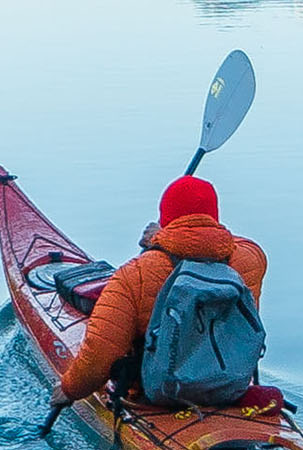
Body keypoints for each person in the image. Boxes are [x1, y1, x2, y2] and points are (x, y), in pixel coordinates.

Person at [47, 174, 267, 414]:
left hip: (156, 396)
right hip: (229, 386)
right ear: (214, 215)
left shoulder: (134, 274)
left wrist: (69, 390)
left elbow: (101, 353)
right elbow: (215, 241)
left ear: (165, 218)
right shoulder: (250, 259)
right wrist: (163, 238)